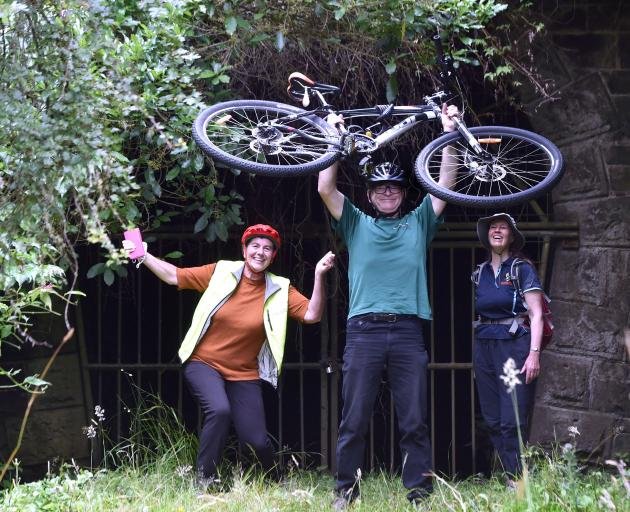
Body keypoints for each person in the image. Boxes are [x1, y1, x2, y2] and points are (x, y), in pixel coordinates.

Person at [318, 103, 459, 509]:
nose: (386, 192)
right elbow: (326, 189)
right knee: (354, 418)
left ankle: (419, 493)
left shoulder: (419, 222)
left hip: (408, 331)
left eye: (394, 187)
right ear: (370, 194)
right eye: (380, 188)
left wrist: (449, 133)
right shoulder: (356, 223)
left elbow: (446, 181)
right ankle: (345, 492)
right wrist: (332, 138)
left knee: (413, 419)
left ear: (402, 192)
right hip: (363, 331)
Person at [123, 224, 335, 488]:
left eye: (267, 248)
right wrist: (144, 255)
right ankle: (205, 480)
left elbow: (312, 314)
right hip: (203, 362)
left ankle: (276, 481)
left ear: (273, 256)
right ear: (244, 250)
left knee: (256, 439)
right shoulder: (222, 271)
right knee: (220, 410)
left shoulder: (280, 288)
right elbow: (174, 276)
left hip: (244, 373)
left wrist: (318, 274)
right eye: (255, 246)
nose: (260, 252)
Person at [472, 213, 544, 486]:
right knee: (491, 417)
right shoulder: (479, 273)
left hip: (514, 345)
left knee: (511, 416)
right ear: (487, 235)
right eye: (493, 227)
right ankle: (512, 473)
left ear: (512, 236)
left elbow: (536, 314)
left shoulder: (521, 268)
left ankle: (517, 477)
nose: (497, 230)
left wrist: (534, 353)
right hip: (484, 345)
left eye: (503, 227)